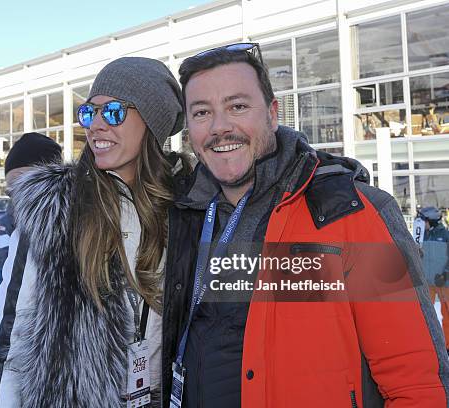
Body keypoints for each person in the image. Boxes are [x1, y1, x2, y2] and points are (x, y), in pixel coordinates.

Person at [161, 43, 449, 407]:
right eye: (202, 112)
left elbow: (416, 382)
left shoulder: (350, 213)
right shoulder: (184, 214)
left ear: (272, 113)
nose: (220, 127)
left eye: (237, 106)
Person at [0, 57, 188, 408]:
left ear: (153, 122)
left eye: (114, 112)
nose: (96, 126)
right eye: (90, 113)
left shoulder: (189, 207)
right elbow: (8, 344)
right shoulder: (53, 209)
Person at [0, 132, 62, 316]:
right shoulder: (9, 221)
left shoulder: (80, 224)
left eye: (23, 181)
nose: (17, 193)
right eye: (11, 186)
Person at [419, 206, 449, 353]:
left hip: (444, 282)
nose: (421, 223)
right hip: (428, 282)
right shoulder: (423, 235)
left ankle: (448, 345)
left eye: (423, 220)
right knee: (425, 314)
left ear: (431, 220)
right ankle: (427, 343)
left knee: (447, 314)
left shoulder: (445, 235)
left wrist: (445, 274)